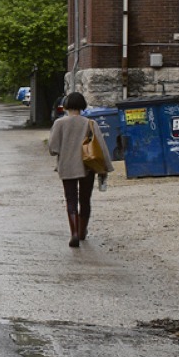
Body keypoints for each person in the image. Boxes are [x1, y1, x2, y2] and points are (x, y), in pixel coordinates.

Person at [48, 91, 114, 247]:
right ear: (83, 106)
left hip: (67, 166)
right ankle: (83, 231)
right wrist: (104, 168)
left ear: (66, 105)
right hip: (87, 166)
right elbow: (101, 147)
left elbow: (53, 149)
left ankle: (74, 233)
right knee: (85, 200)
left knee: (71, 199)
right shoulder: (90, 123)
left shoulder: (60, 123)